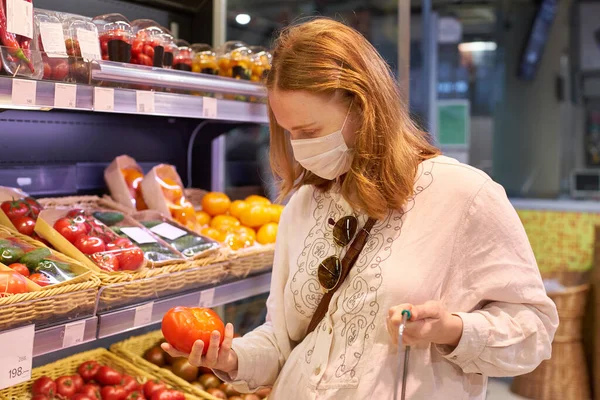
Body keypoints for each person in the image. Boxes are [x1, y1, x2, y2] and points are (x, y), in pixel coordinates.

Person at [162, 18, 559, 399]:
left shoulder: (464, 195)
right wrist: (232, 357)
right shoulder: (303, 205)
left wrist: (452, 330)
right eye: (288, 132)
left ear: (363, 107)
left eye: (310, 132)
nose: (299, 147)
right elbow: (283, 337)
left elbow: (534, 333)